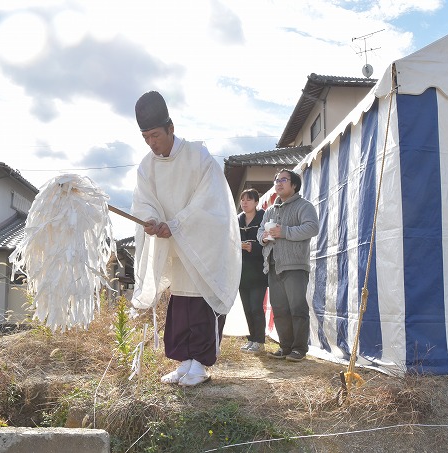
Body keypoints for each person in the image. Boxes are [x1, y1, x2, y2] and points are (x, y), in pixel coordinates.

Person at [130, 91, 241, 386]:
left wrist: (177, 224)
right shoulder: (146, 166)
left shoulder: (198, 156)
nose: (152, 143)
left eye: (155, 135)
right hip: (176, 247)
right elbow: (144, 202)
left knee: (201, 302)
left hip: (200, 244)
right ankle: (184, 362)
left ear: (171, 128)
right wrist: (153, 221)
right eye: (145, 138)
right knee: (180, 303)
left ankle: (201, 365)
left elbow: (209, 201)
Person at [257, 169, 319, 362]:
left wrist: (284, 232)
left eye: (284, 180)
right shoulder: (270, 210)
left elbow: (312, 228)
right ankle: (285, 347)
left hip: (295, 265)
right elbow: (260, 233)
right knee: (280, 308)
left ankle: (299, 349)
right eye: (276, 180)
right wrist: (264, 238)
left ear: (294, 185)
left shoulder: (304, 206)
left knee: (297, 307)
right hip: (273, 264)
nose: (279, 183)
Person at [237, 189, 268, 353]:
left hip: (258, 270)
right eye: (242, 200)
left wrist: (253, 247)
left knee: (256, 307)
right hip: (241, 271)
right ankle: (251, 339)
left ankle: (260, 341)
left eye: (249, 199)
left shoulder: (263, 218)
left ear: (256, 202)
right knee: (246, 308)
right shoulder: (237, 220)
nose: (244, 202)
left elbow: (269, 241)